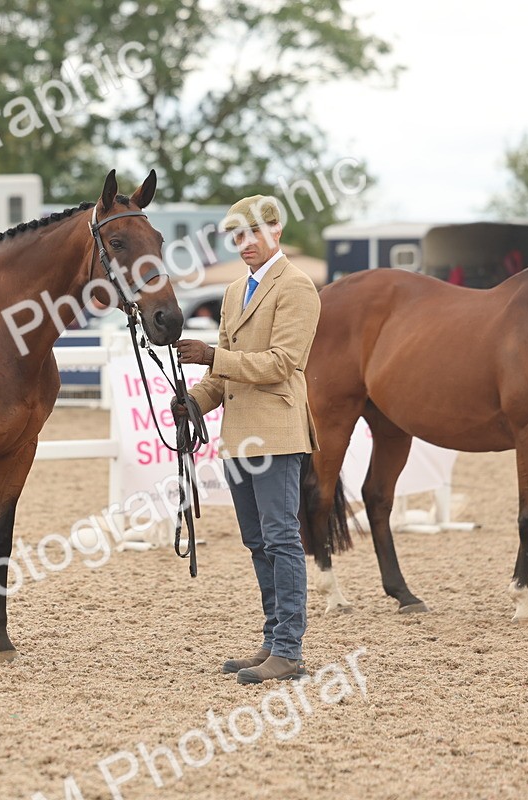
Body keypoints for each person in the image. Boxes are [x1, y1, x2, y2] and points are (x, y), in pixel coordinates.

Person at [173, 195, 321, 685]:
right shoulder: (236, 290)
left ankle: (289, 650)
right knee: (258, 541)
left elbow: (282, 363)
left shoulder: (297, 288)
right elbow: (225, 377)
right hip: (239, 435)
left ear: (275, 230)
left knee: (281, 538)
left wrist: (212, 356)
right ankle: (273, 637)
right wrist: (194, 401)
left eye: (252, 233)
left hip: (277, 433)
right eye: (237, 237)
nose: (244, 244)